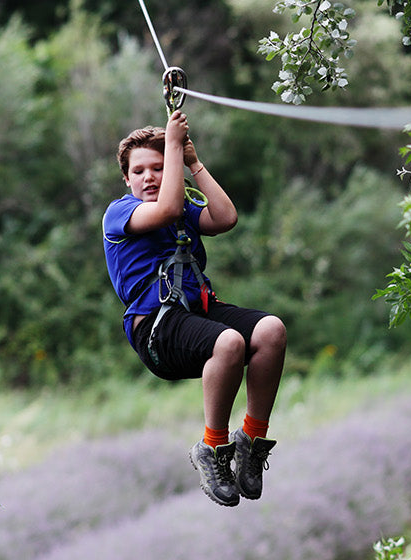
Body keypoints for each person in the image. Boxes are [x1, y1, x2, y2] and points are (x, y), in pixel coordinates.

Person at [103, 110, 287, 507]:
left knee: (271, 330)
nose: (149, 177)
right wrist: (170, 144)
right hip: (155, 327)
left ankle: (251, 442)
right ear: (126, 178)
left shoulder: (182, 206)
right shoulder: (120, 213)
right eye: (139, 171)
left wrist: (193, 163)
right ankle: (213, 448)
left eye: (158, 168)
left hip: (198, 312)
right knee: (228, 343)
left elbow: (226, 218)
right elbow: (165, 210)